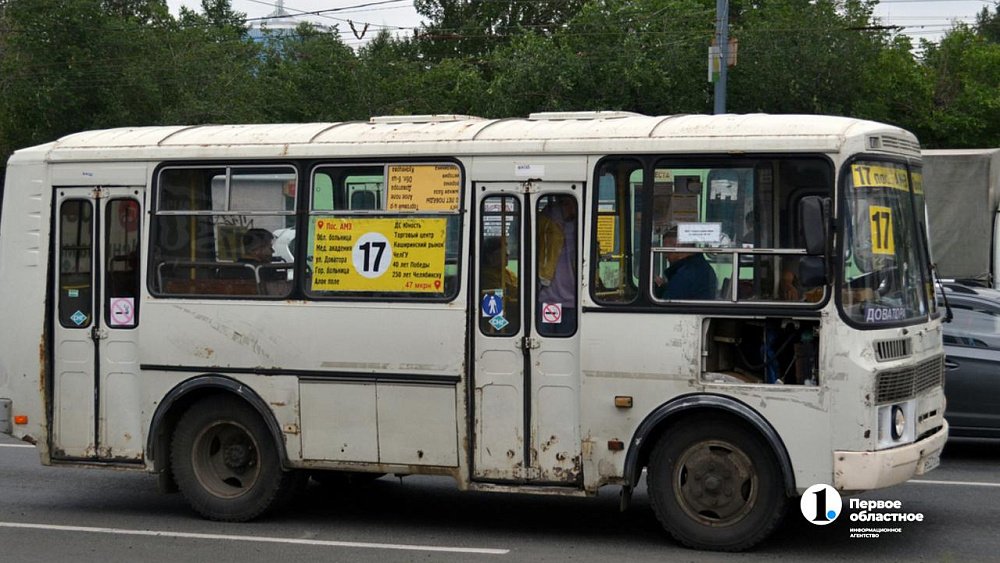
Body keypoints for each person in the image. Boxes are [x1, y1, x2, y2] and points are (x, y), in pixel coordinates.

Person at [537, 195, 577, 335]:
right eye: (566, 204)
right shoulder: (547, 221)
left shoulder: (582, 224)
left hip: (573, 299)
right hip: (549, 297)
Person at [653, 230, 717, 300]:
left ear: (677, 246)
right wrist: (664, 286)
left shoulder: (686, 275)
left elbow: (666, 303)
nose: (665, 255)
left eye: (666, 250)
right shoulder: (700, 267)